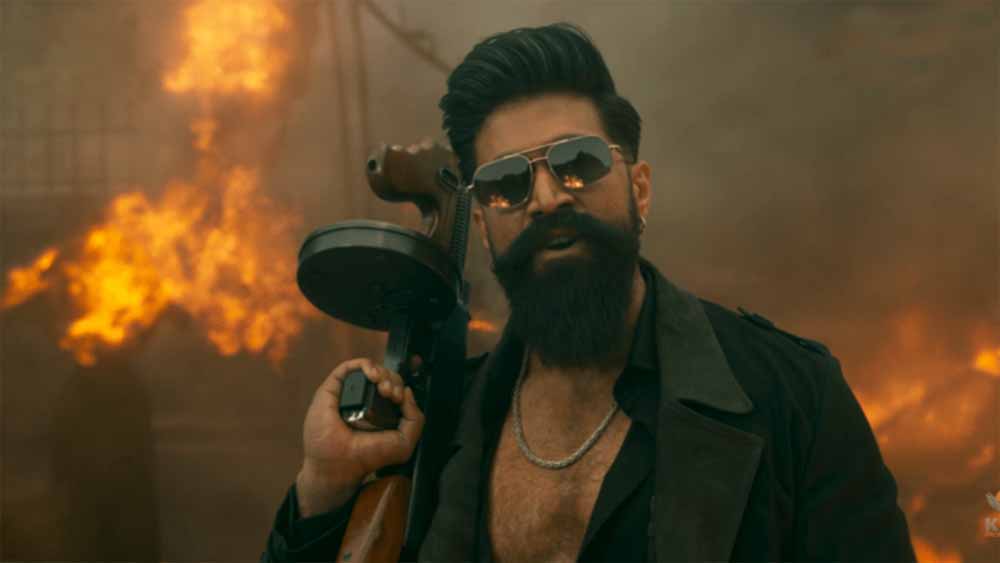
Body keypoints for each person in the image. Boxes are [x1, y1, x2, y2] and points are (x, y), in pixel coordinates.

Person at [263, 23, 916, 562]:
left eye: (578, 163)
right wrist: (324, 486)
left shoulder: (793, 399)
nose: (547, 198)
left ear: (639, 190)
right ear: (484, 228)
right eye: (507, 183)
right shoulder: (435, 421)